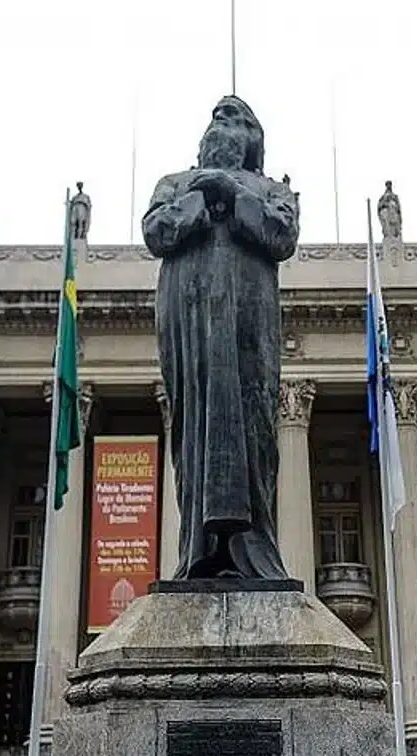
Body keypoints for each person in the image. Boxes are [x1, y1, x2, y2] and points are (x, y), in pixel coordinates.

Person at [142, 96, 299, 580]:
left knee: (253, 427)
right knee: (195, 430)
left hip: (249, 324)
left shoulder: (273, 190)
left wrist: (233, 195)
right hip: (189, 322)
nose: (222, 125)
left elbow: (282, 236)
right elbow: (156, 233)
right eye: (216, 117)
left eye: (235, 118)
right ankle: (199, 551)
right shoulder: (174, 184)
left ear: (253, 139)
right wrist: (199, 198)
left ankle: (254, 552)